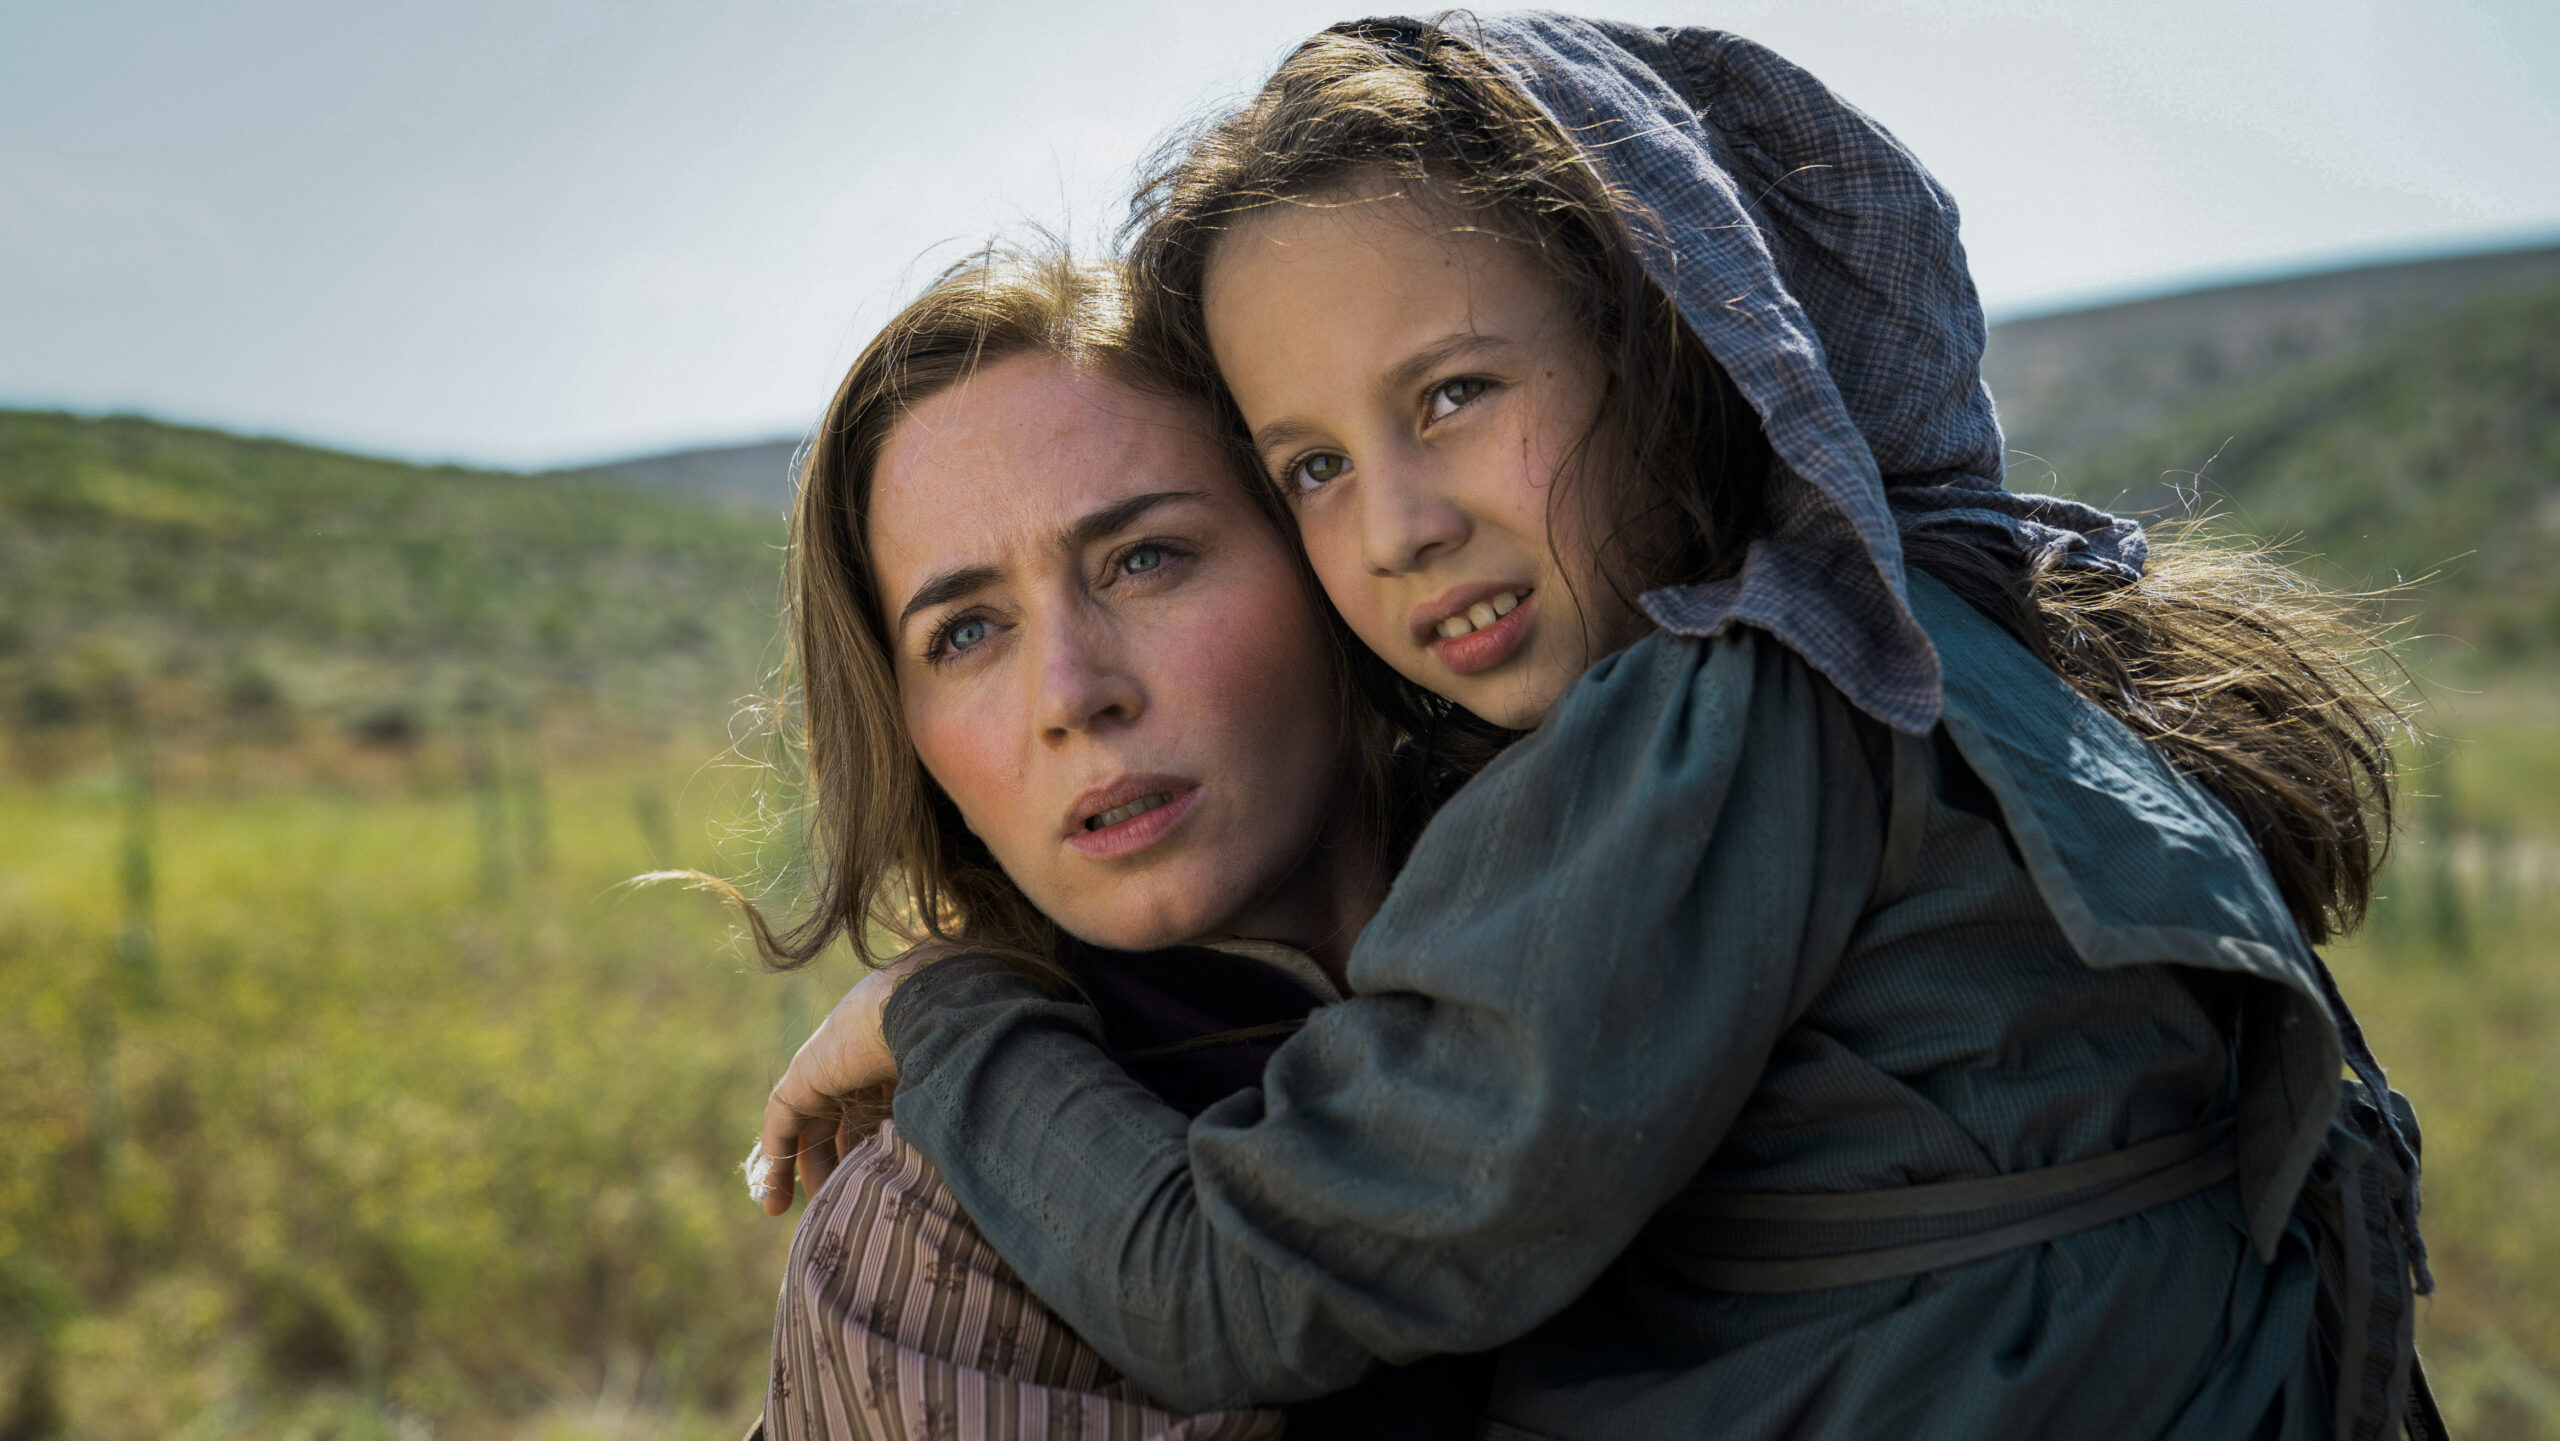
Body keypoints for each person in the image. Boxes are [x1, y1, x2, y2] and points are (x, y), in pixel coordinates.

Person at [758, 16, 2443, 1441]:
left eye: (1454, 394)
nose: (1402, 526)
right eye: (1316, 466)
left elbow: (1231, 1283)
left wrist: (955, 1013)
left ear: (1670, 343)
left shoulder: (1718, 737)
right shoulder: (1909, 643)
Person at [738, 246, 1492, 1439]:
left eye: (1144, 558)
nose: (1072, 691)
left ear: (1318, 552)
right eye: (966, 630)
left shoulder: (1654, 894)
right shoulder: (922, 1249)